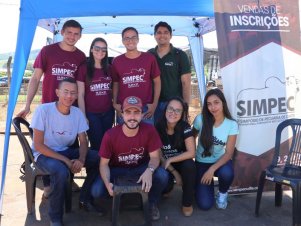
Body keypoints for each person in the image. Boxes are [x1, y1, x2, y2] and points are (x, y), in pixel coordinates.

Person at [17, 19, 86, 196]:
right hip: (49, 108)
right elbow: (35, 78)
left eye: (76, 34)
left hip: (69, 110)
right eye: (69, 32)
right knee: (47, 146)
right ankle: (48, 184)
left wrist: (82, 113)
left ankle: (66, 180)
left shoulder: (80, 56)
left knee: (70, 144)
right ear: (62, 32)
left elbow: (80, 86)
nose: (72, 36)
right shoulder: (48, 51)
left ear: (80, 35)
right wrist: (27, 104)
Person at [30, 78, 101, 226]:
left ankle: (84, 197)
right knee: (60, 171)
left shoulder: (77, 113)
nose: (69, 96)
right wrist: (66, 161)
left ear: (76, 96)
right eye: (66, 92)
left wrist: (81, 159)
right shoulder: (43, 110)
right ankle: (55, 218)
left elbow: (83, 141)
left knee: (98, 158)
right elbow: (38, 145)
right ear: (57, 92)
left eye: (73, 93)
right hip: (44, 154)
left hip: (66, 151)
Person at [91, 96, 169, 221]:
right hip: (117, 170)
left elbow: (155, 157)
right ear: (122, 115)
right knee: (97, 191)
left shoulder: (149, 130)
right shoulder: (110, 135)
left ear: (142, 114)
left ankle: (151, 203)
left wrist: (150, 170)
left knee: (162, 175)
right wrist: (107, 183)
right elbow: (104, 164)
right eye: (128, 112)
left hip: (141, 168)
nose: (132, 117)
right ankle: (120, 198)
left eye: (136, 112)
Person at [192, 88, 239, 210]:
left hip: (220, 161)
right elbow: (191, 137)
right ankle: (202, 188)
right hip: (201, 163)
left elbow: (229, 153)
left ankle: (222, 193)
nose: (213, 107)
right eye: (209, 104)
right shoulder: (200, 120)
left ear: (223, 102)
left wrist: (212, 169)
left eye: (216, 102)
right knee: (205, 205)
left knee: (227, 173)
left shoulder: (231, 124)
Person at [155, 97, 196, 217]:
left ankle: (187, 203)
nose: (173, 112)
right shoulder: (158, 126)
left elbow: (191, 152)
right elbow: (158, 155)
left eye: (178, 110)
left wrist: (171, 159)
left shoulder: (185, 126)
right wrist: (175, 173)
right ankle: (169, 187)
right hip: (165, 164)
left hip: (181, 162)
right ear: (165, 110)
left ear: (182, 113)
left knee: (190, 166)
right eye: (171, 108)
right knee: (165, 187)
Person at [112, 27, 161, 125]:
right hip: (124, 109)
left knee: (147, 139)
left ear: (138, 39)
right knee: (125, 139)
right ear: (122, 41)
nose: (130, 40)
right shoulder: (116, 61)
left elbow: (157, 81)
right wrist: (115, 103)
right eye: (126, 38)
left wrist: (154, 104)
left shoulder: (149, 58)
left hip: (145, 108)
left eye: (133, 37)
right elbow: (116, 83)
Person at [148, 21, 191, 123]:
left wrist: (185, 107)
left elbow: (186, 83)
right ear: (154, 35)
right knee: (155, 135)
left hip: (173, 105)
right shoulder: (149, 55)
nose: (162, 35)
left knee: (173, 135)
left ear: (171, 35)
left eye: (165, 32)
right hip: (153, 104)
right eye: (159, 32)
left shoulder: (180, 55)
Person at [77, 37, 114, 151]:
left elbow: (113, 91)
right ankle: (94, 169)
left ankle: (105, 168)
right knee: (96, 145)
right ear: (92, 49)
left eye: (104, 49)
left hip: (108, 112)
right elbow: (80, 94)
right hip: (91, 114)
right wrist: (83, 116)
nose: (100, 51)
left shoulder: (110, 68)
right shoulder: (84, 69)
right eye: (97, 48)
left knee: (107, 143)